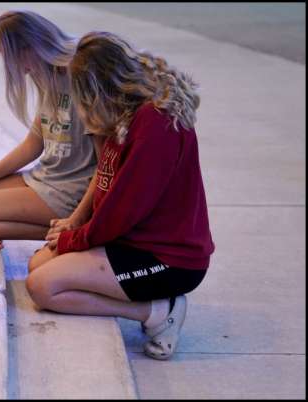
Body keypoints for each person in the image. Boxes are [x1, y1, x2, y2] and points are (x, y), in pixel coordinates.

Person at [26, 31, 215, 360]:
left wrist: (75, 239)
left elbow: (124, 210)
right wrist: (75, 225)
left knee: (43, 287)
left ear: (97, 88)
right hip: (132, 242)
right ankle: (149, 304)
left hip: (167, 259)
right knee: (38, 264)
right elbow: (105, 178)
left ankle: (158, 311)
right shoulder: (127, 113)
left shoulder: (155, 124)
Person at [0, 10, 101, 240]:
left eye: (9, 56)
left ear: (29, 48)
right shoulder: (45, 74)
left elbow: (105, 162)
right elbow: (33, 144)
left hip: (69, 191)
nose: (10, 66)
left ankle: (70, 232)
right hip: (46, 176)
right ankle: (63, 229)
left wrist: (78, 217)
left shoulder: (81, 77)